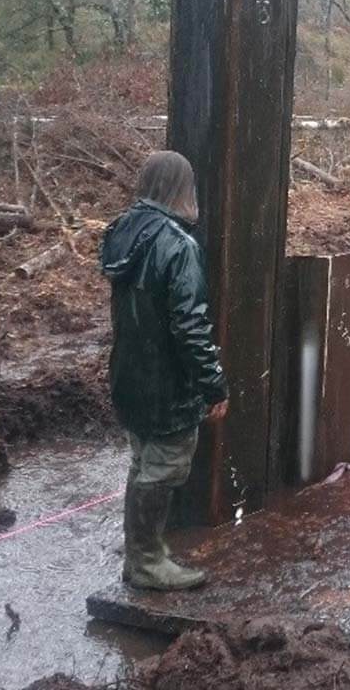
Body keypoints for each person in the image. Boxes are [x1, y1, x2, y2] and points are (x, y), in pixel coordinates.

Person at [99, 150, 228, 590]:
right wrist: (214, 386)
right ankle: (147, 562)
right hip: (167, 385)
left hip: (129, 377)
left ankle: (140, 554)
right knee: (162, 469)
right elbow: (191, 326)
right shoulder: (178, 245)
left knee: (141, 463)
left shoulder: (123, 232)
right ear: (181, 188)